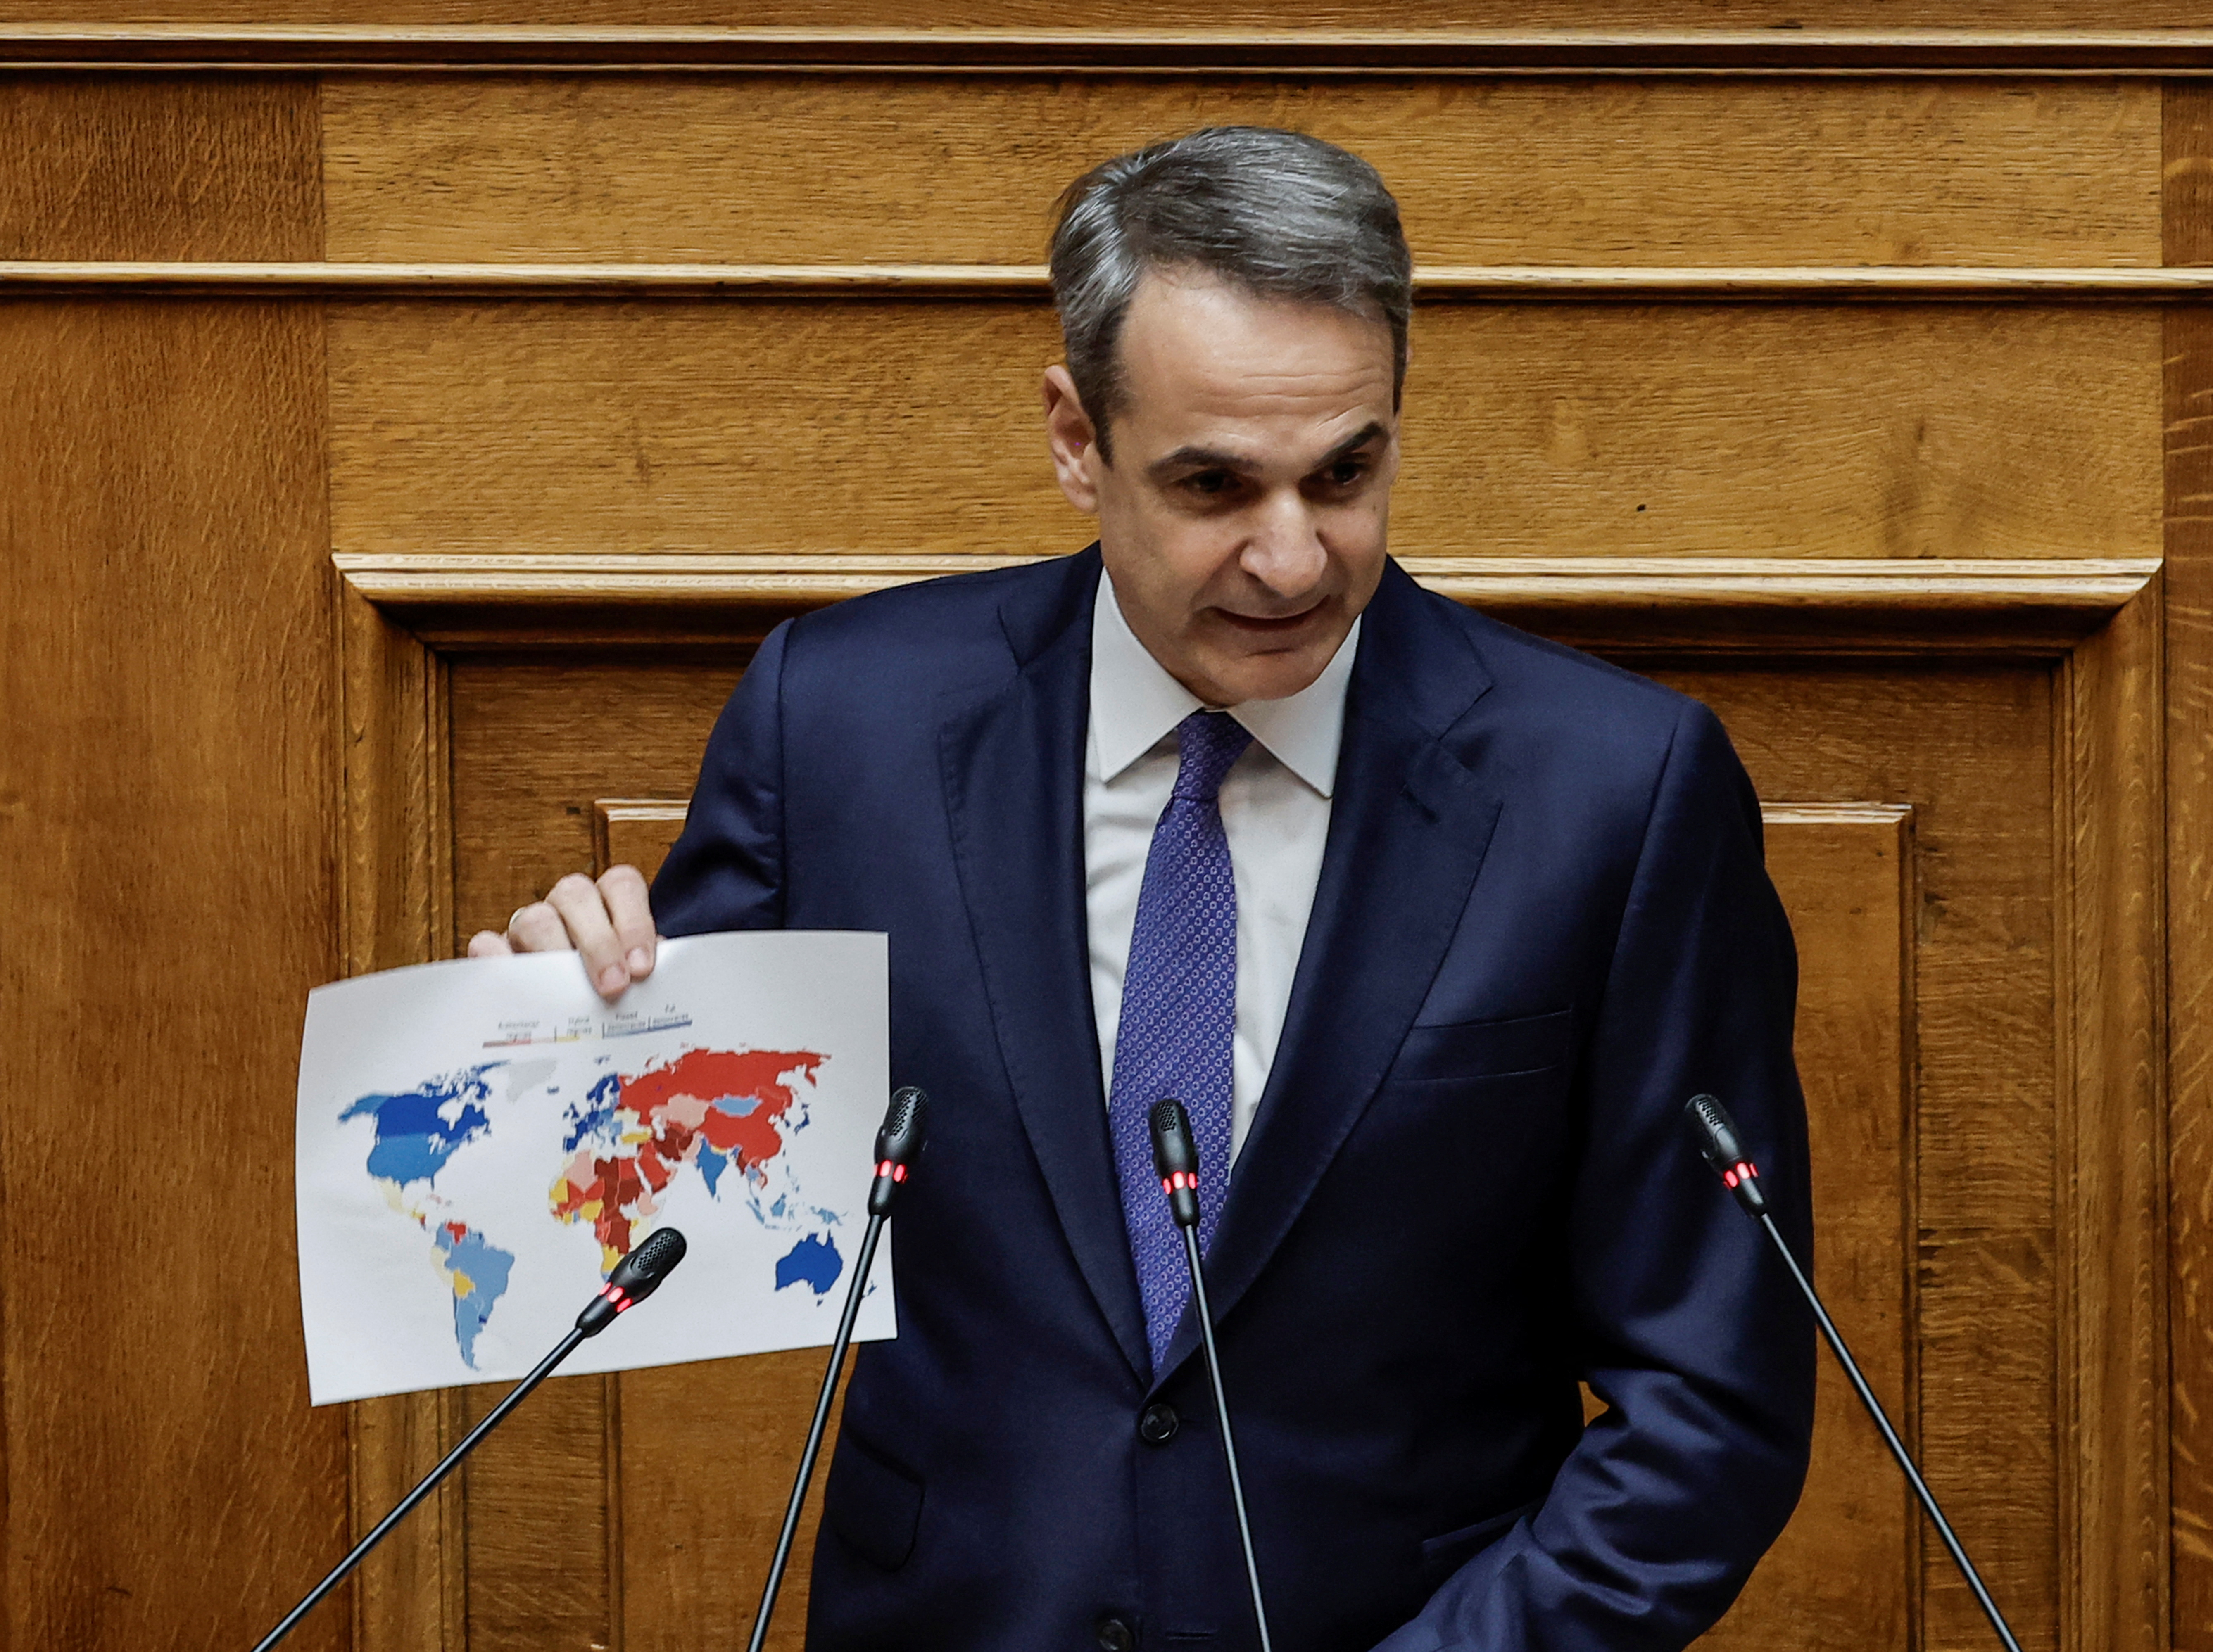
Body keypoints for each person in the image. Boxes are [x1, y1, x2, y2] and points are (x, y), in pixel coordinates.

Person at [470, 126, 1813, 1652]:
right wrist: (550, 1036)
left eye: (1345, 473)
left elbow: (1711, 1401)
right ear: (1075, 438)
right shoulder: (843, 724)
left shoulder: (1615, 792)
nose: (1294, 560)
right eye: (1215, 484)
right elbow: (635, 1211)